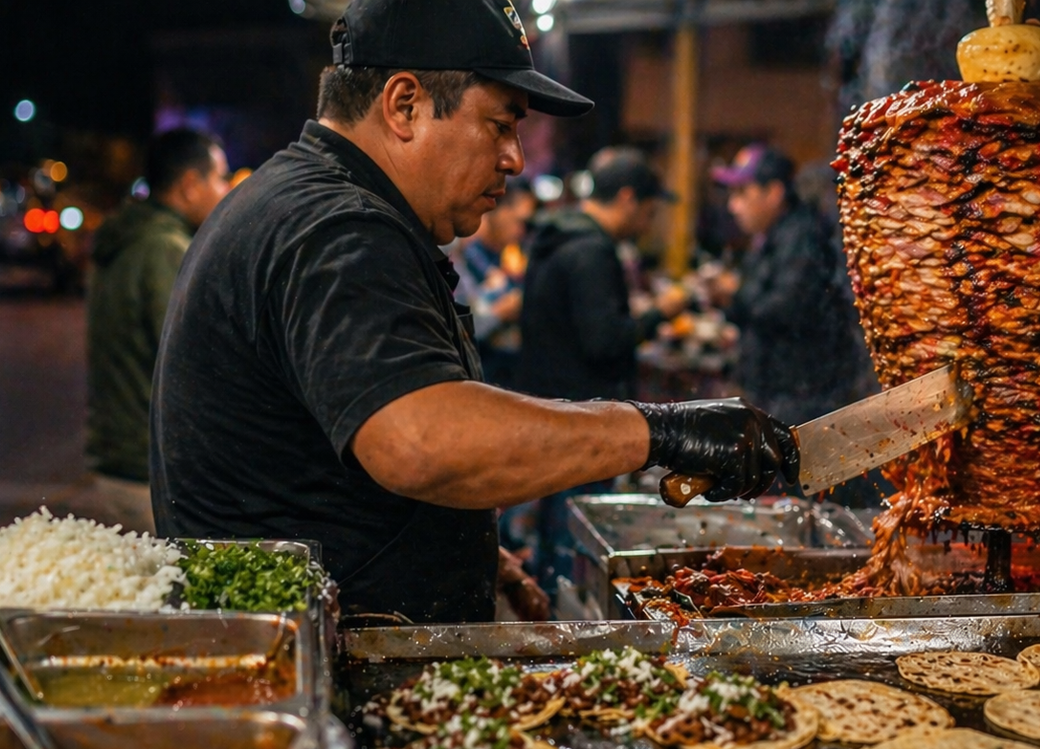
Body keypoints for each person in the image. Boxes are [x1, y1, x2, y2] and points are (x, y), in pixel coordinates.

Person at [150, 0, 798, 623]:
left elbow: (329, 450)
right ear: (405, 105)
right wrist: (663, 432)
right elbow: (419, 441)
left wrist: (476, 555)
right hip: (321, 672)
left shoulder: (322, 201)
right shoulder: (337, 227)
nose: (515, 157)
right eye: (501, 123)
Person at [85, 128, 230, 533]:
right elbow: (200, 360)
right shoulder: (167, 249)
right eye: (220, 178)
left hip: (117, 455)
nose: (225, 191)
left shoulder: (125, 238)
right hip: (148, 467)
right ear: (188, 186)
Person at [711, 143, 872, 427]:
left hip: (804, 398)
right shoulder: (772, 235)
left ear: (773, 193)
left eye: (742, 193)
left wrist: (734, 294)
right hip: (779, 391)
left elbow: (785, 308)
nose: (733, 206)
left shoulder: (803, 237)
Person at [516, 150, 684, 401]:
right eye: (650, 213)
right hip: (578, 409)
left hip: (548, 400)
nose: (649, 225)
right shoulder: (591, 250)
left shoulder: (560, 232)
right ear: (627, 199)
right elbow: (604, 344)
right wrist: (659, 313)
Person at [449, 176, 536, 388]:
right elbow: (458, 329)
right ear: (497, 210)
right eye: (520, 221)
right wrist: (501, 312)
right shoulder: (463, 258)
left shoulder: (516, 256)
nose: (523, 231)